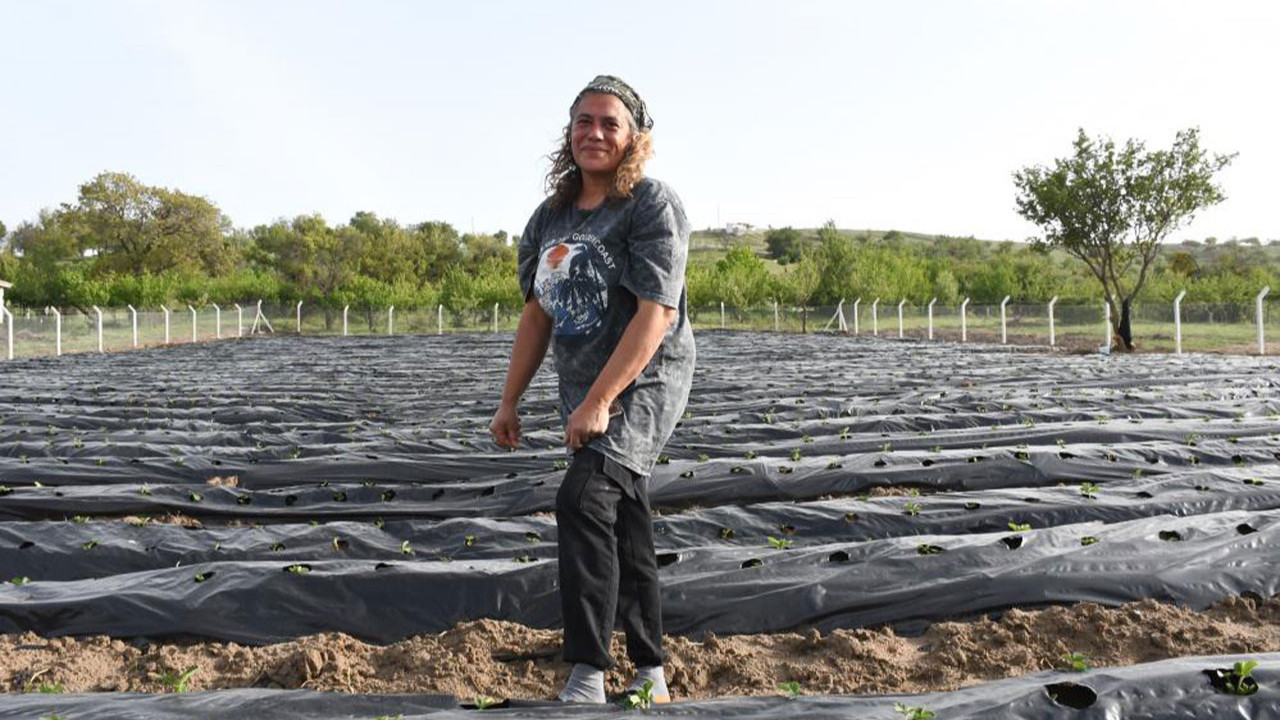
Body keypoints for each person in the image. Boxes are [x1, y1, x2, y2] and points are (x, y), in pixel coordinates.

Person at [489, 75, 695, 705]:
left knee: (583, 499)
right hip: (585, 386)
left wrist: (601, 402)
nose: (595, 133)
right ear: (569, 132)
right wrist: (509, 399)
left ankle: (586, 674)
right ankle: (651, 671)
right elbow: (537, 316)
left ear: (633, 137)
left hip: (643, 379)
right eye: (584, 121)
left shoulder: (649, 204)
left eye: (610, 123)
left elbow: (655, 314)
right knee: (623, 514)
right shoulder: (548, 218)